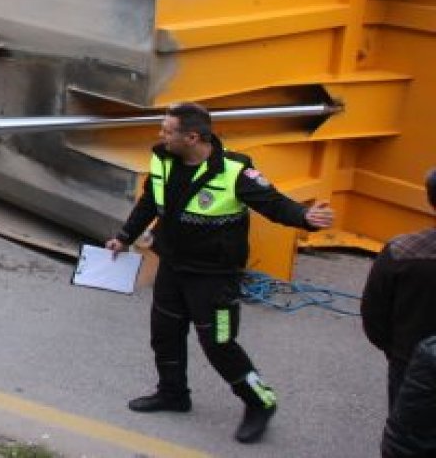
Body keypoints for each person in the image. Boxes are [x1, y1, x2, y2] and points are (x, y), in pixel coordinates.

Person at [105, 101, 333, 444]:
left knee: (220, 343)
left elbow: (273, 203)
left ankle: (260, 402)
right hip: (172, 268)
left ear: (192, 137)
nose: (160, 135)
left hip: (215, 279)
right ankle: (173, 394)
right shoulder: (164, 160)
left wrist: (305, 218)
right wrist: (124, 237)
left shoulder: (235, 171)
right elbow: (150, 203)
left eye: (167, 130)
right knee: (164, 334)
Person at [362, 170, 436, 407]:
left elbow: (374, 315)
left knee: (407, 430)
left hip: (410, 361)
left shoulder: (400, 252)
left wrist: (395, 352)